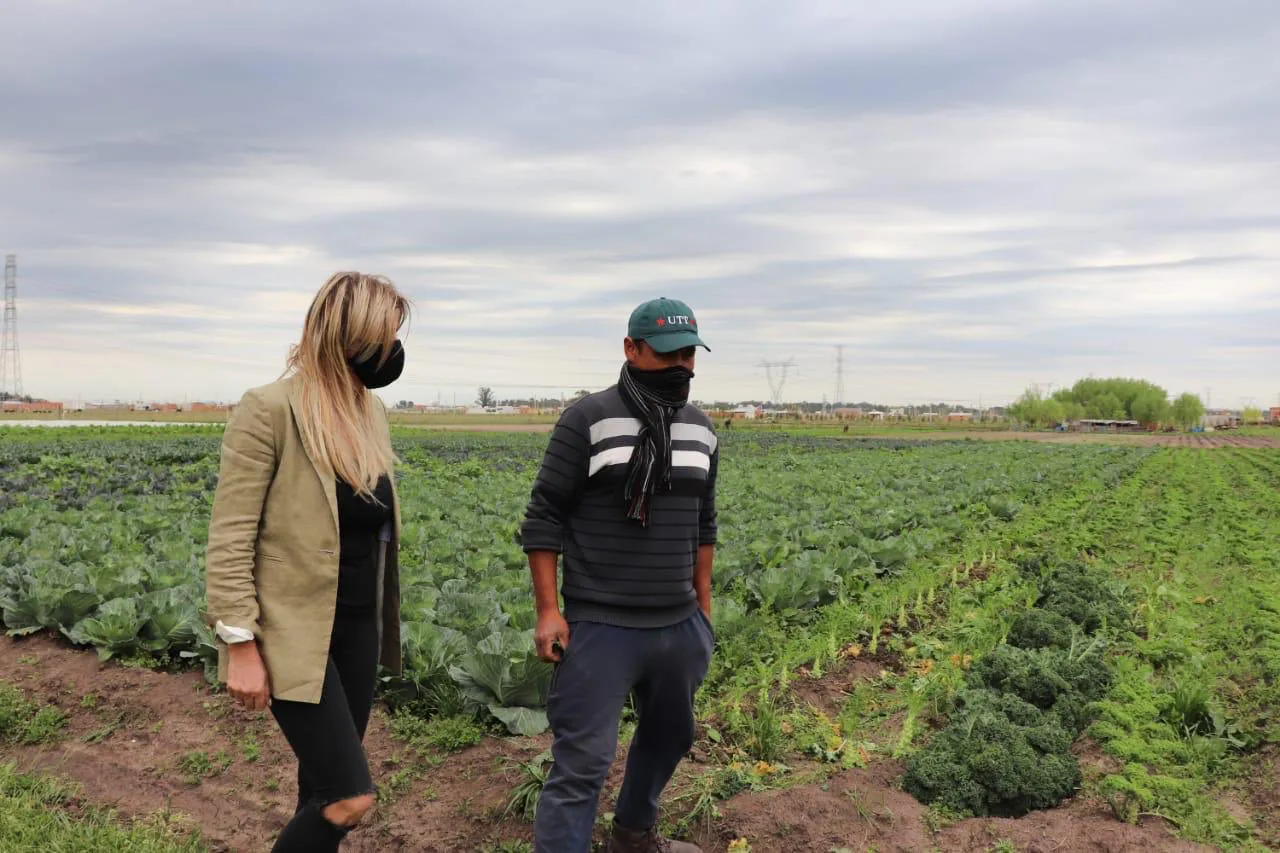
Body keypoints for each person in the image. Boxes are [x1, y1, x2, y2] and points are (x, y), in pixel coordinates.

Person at [203, 271, 411, 852]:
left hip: (356, 631)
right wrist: (240, 643)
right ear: (347, 335)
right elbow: (230, 535)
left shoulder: (368, 412)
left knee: (320, 794)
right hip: (294, 634)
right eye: (384, 336)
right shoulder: (269, 409)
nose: (392, 351)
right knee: (349, 797)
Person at [522, 297, 719, 853]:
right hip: (601, 625)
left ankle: (633, 836)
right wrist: (548, 611)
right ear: (631, 349)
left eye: (688, 354)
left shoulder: (701, 430)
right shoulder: (586, 419)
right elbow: (543, 518)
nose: (681, 366)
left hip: (677, 624)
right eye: (667, 354)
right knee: (583, 763)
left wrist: (703, 615)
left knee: (669, 738)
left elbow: (705, 524)